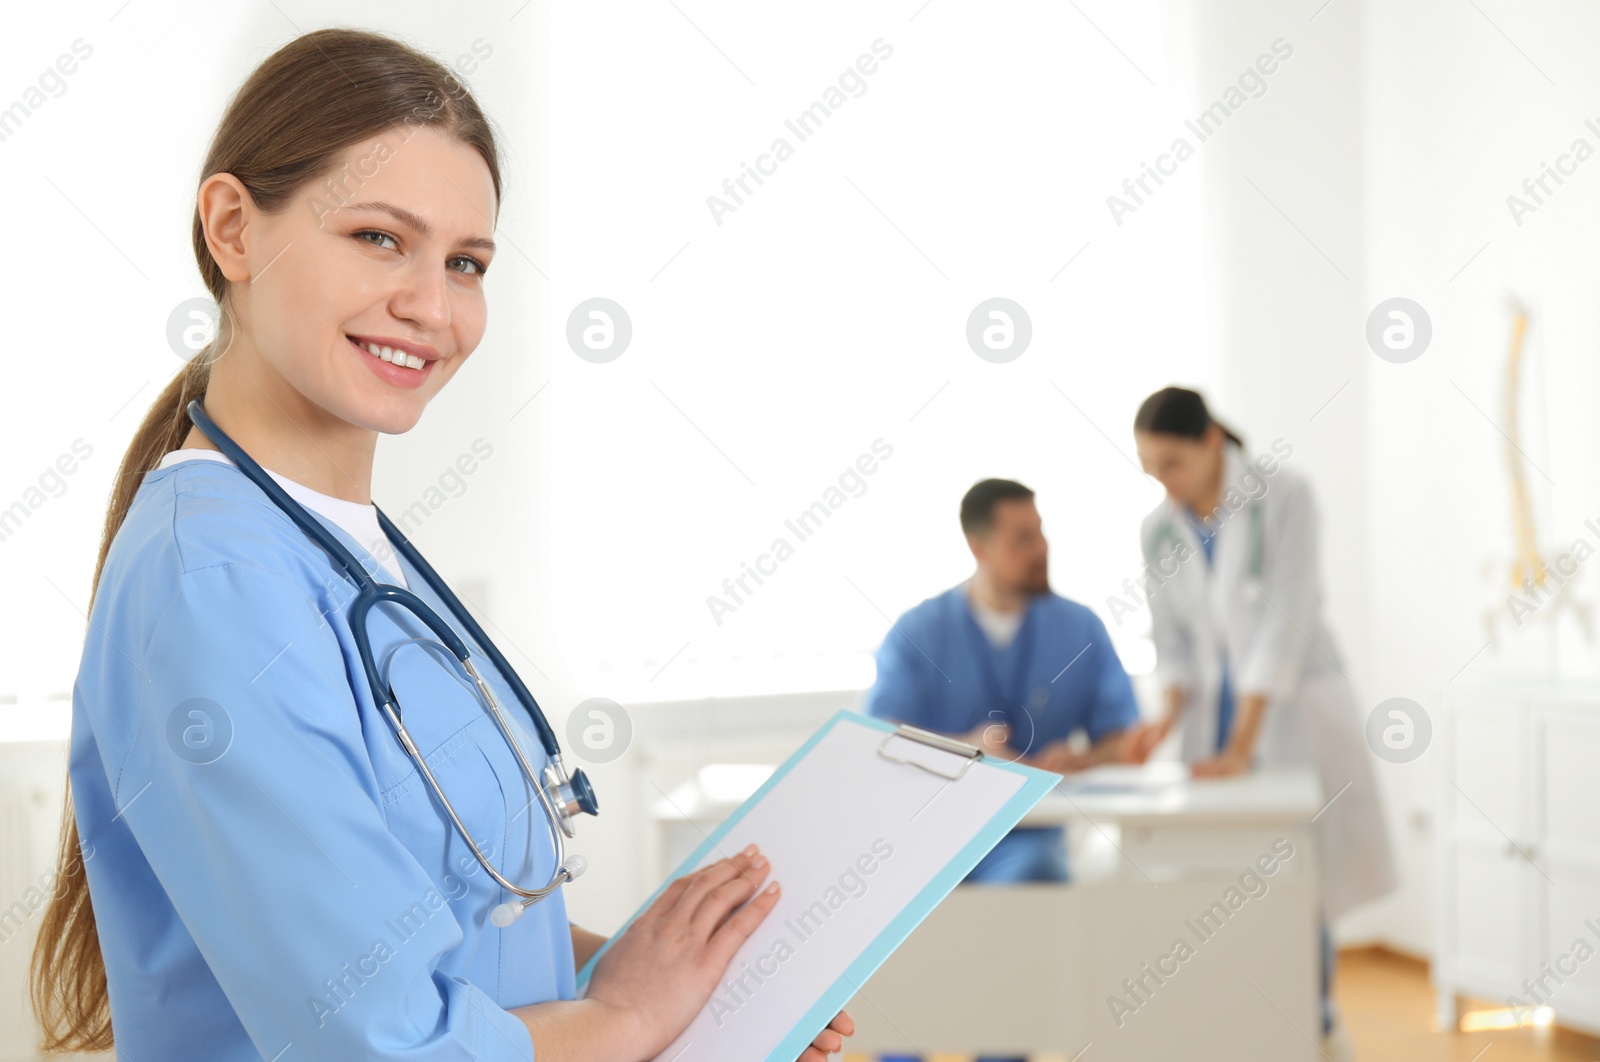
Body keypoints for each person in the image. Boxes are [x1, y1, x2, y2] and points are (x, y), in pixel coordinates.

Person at [27, 29, 850, 1062]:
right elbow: (384, 1043)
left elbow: (452, 935)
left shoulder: (350, 555)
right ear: (234, 229)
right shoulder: (214, 584)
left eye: (466, 264)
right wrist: (627, 1019)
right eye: (379, 238)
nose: (432, 306)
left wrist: (681, 984)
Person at [1124, 386, 1397, 1054]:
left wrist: (1242, 746)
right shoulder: (1160, 530)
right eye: (1151, 470)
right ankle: (1231, 1022)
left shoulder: (1287, 496)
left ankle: (1314, 1020)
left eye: (1172, 464)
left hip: (1292, 710)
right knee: (1215, 879)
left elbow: (1284, 626)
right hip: (1213, 723)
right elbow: (1175, 644)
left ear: (1212, 439)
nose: (1164, 483)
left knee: (1297, 876)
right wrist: (1165, 720)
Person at [864, 478, 1139, 1062]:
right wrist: (964, 747)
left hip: (1026, 838)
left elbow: (1122, 735)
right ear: (979, 547)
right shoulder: (919, 633)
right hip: (931, 835)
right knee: (899, 903)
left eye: (1040, 533)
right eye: (1022, 538)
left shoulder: (1080, 629)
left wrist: (1087, 757)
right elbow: (878, 741)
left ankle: (1003, 1055)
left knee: (1026, 899)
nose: (1040, 548)